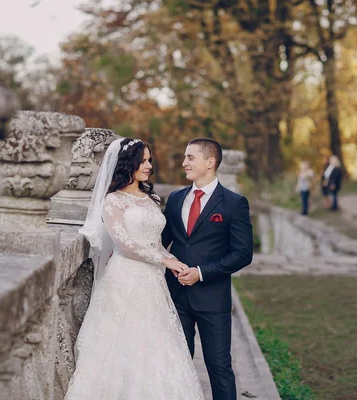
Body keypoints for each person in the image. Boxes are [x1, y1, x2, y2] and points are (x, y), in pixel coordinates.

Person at [66, 138, 204, 400]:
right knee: (123, 344)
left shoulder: (151, 197)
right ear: (127, 164)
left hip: (153, 281)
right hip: (125, 278)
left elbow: (155, 243)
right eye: (142, 161)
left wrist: (174, 261)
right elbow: (125, 245)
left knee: (156, 345)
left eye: (149, 160)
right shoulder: (112, 201)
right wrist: (166, 261)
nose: (149, 165)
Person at [162, 138, 253, 400]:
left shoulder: (234, 203)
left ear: (210, 162)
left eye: (190, 157)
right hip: (176, 296)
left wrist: (200, 272)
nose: (184, 163)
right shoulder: (177, 199)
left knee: (219, 367)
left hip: (213, 299)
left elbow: (242, 254)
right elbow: (162, 241)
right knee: (176, 364)